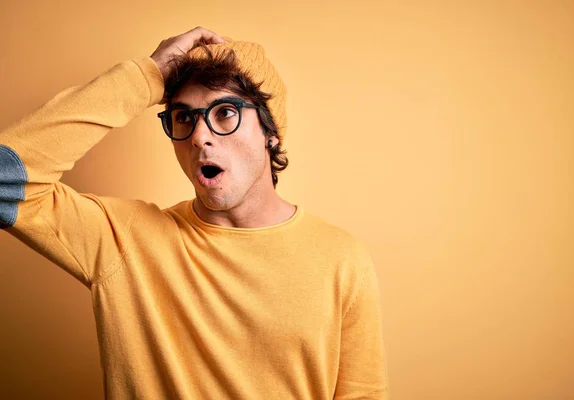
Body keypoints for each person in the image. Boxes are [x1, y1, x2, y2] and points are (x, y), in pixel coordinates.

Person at [0, 26, 388, 399]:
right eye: (184, 117)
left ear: (270, 132)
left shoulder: (341, 258)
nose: (200, 136)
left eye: (225, 113)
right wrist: (145, 77)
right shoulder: (125, 240)